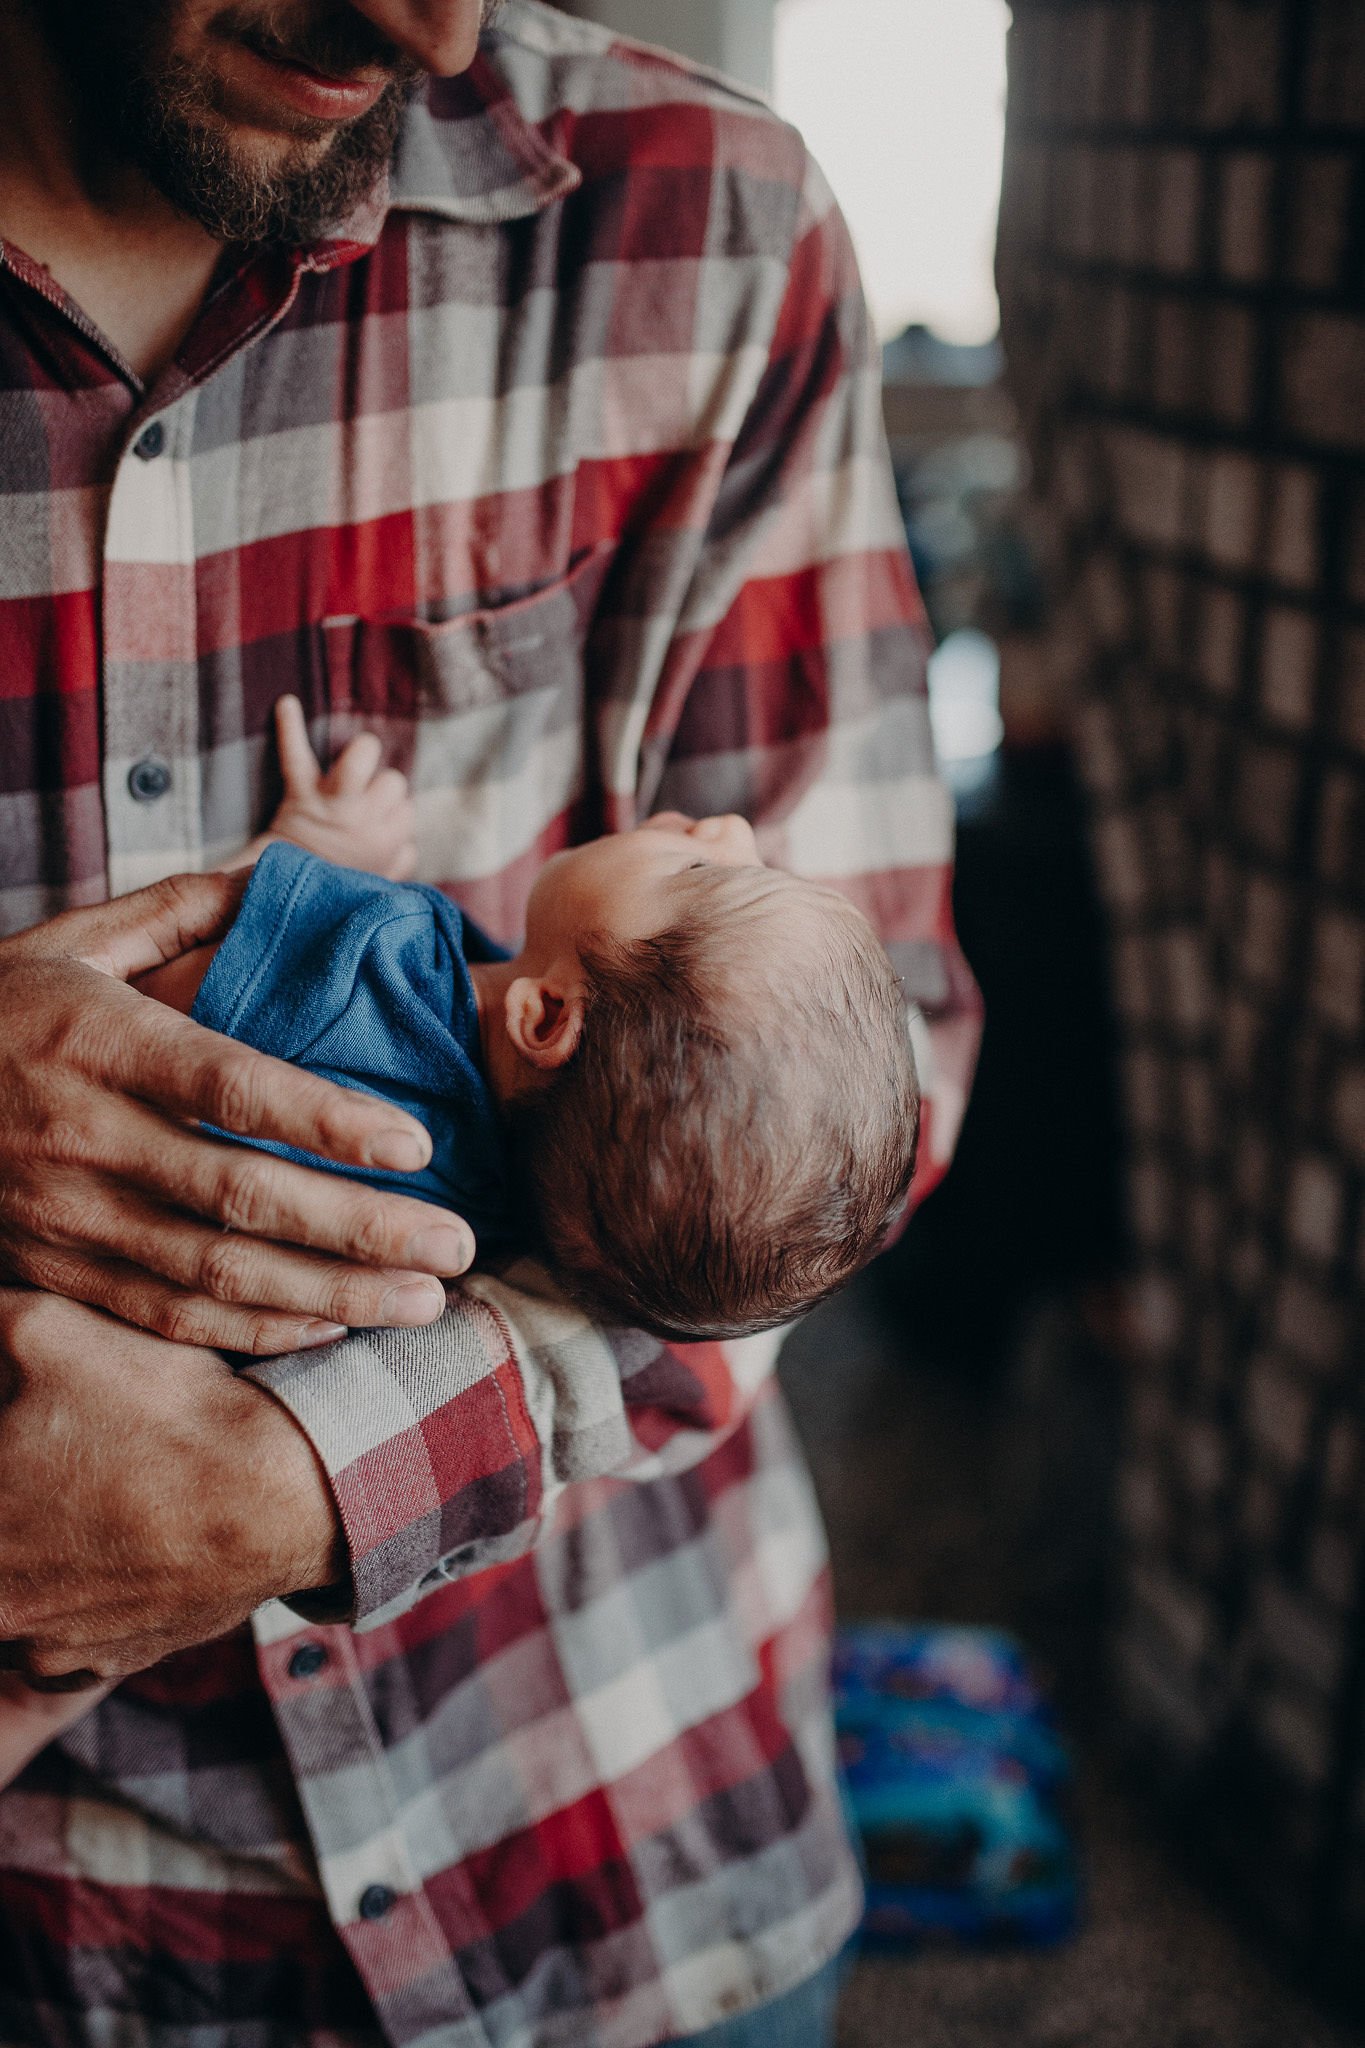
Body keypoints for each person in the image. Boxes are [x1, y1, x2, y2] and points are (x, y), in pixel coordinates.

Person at [0, 1, 980, 2042]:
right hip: (88, 1943)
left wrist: (283, 1488)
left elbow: (857, 1126)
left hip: (622, 1845)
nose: (430, 21)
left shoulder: (710, 228)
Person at [0, 702, 919, 1788]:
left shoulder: (372, 962)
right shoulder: (519, 1203)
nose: (730, 830)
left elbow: (158, 1029)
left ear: (545, 1019)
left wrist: (302, 867)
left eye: (704, 880)